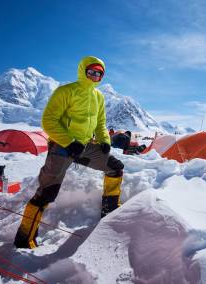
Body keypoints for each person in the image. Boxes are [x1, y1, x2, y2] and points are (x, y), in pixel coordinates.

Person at [14, 56, 124, 249]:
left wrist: (104, 140)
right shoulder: (66, 91)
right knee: (46, 193)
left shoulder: (98, 97)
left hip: (85, 147)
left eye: (99, 73)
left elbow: (100, 123)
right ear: (83, 71)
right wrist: (69, 141)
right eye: (91, 72)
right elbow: (48, 121)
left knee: (115, 168)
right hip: (62, 147)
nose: (95, 76)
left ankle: (109, 211)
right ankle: (25, 239)